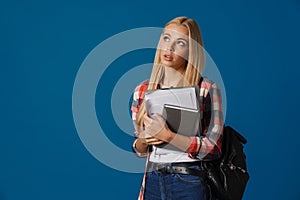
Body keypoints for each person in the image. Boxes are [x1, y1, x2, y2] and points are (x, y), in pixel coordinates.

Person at [131, 16, 224, 200]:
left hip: (188, 180)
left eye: (180, 42)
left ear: (191, 50)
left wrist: (168, 136)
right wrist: (145, 139)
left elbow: (213, 148)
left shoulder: (206, 89)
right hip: (153, 179)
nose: (169, 48)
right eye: (166, 38)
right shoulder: (142, 90)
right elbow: (139, 149)